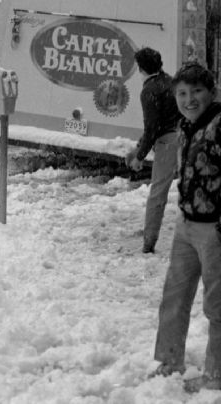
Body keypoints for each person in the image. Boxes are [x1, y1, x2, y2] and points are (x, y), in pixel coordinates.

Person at [149, 63, 221, 393]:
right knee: (174, 297)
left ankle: (217, 373)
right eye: (182, 93)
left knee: (217, 305)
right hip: (186, 225)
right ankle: (170, 360)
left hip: (215, 231)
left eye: (196, 92)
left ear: (211, 92)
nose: (189, 99)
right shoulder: (184, 126)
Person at [125, 47, 182, 254]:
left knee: (158, 193)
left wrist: (139, 156)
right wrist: (139, 146)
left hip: (167, 143)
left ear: (141, 68)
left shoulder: (149, 90)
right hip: (185, 138)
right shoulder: (170, 81)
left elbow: (152, 127)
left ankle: (149, 242)